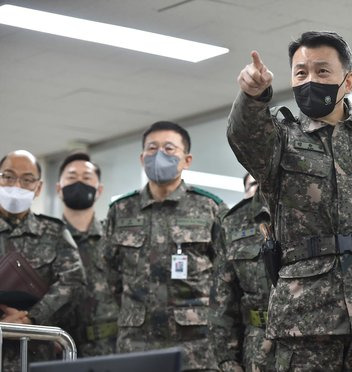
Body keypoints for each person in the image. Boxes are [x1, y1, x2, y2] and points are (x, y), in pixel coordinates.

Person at [227, 31, 352, 371]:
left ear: (348, 80)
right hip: (306, 316)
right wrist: (253, 97)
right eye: (301, 73)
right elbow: (243, 136)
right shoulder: (280, 136)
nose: (310, 80)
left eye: (322, 71)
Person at [105, 121, 227, 371]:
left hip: (196, 344)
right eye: (152, 148)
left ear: (187, 160)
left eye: (169, 148)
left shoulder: (209, 207)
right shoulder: (120, 210)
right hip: (137, 343)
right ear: (142, 158)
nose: (159, 154)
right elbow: (110, 275)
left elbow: (225, 274)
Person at [0, 150, 86, 370]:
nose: (16, 185)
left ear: (38, 188)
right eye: (8, 176)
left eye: (27, 179)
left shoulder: (54, 232)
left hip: (36, 353)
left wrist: (30, 319)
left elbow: (74, 282)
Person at [210, 174, 274, 371]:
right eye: (253, 184)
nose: (258, 188)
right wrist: (227, 360)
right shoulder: (234, 223)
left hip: (313, 342)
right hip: (259, 346)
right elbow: (223, 298)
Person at [56, 152, 119, 356]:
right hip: (57, 350)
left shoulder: (115, 237)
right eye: (72, 177)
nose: (79, 183)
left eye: (87, 178)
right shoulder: (46, 239)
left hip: (110, 349)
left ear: (99, 190)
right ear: (59, 189)